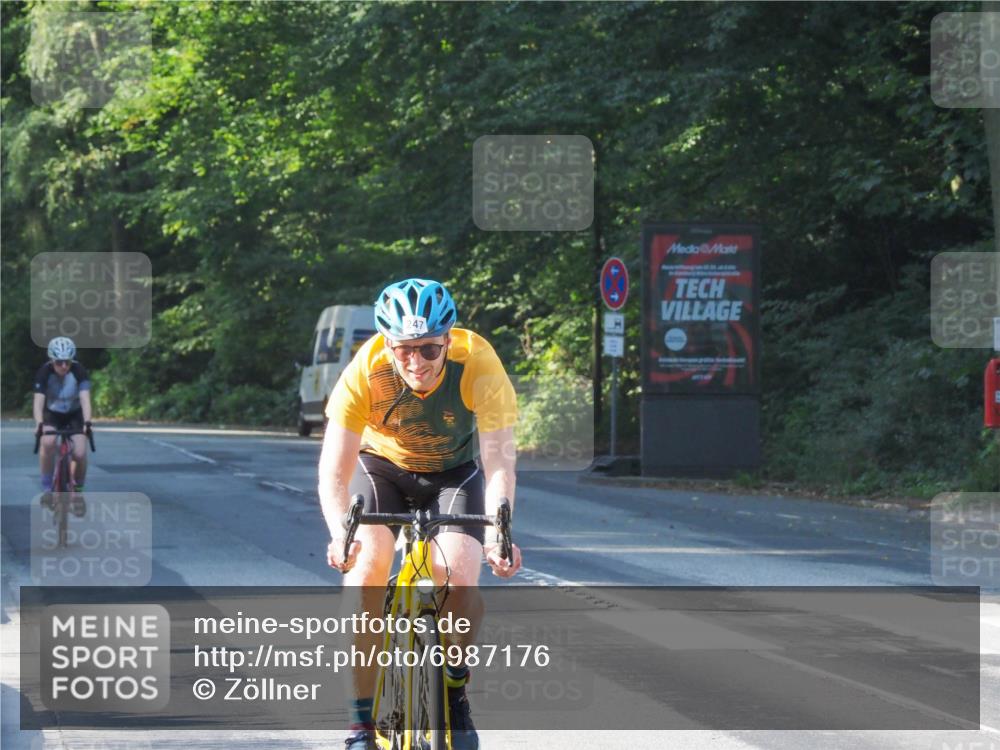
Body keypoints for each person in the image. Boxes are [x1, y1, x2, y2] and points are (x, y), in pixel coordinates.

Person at [318, 278, 522, 750]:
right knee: (366, 573)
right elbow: (333, 470)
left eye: (429, 350)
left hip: (453, 472)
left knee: (457, 573)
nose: (417, 363)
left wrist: (499, 533)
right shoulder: (365, 370)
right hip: (381, 469)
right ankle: (359, 722)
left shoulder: (479, 364)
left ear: (448, 340)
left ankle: (454, 685)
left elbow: (498, 463)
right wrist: (338, 535)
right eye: (404, 350)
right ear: (388, 344)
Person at [34, 336, 93, 500]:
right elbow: (38, 402)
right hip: (52, 413)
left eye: (67, 361)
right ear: (52, 360)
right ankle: (47, 489)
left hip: (75, 414)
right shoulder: (44, 372)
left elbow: (85, 399)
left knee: (80, 453)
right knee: (47, 442)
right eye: (59, 362)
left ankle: (78, 490)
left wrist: (87, 423)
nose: (64, 366)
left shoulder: (79, 370)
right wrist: (39, 423)